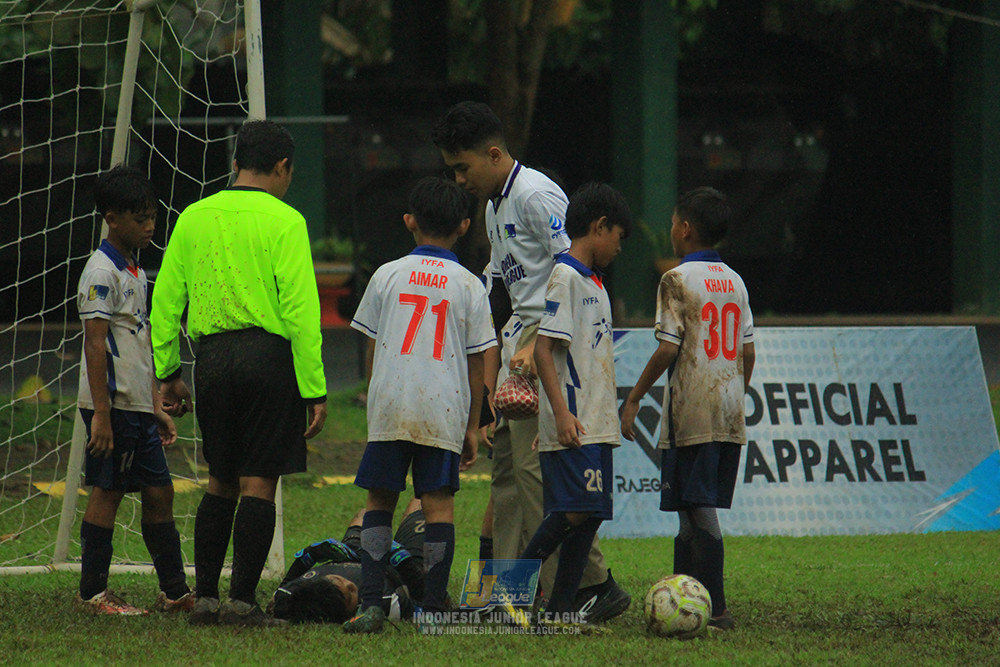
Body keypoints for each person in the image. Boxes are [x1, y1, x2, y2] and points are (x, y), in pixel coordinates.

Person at [431, 101, 630, 622]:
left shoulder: (538, 195)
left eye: (462, 167)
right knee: (507, 477)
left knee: (534, 476)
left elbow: (578, 269)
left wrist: (537, 335)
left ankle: (593, 584)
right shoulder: (495, 206)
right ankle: (501, 598)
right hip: (516, 354)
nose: (459, 179)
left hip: (549, 355)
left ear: (494, 154)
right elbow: (500, 282)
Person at [150, 119, 328, 627]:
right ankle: (243, 603)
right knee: (259, 483)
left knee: (219, 479)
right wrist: (313, 387)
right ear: (283, 167)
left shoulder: (193, 216)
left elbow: (166, 302)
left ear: (234, 164)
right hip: (268, 359)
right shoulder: (286, 220)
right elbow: (300, 310)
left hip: (212, 358)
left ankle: (205, 597)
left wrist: (168, 372)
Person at [343, 176, 496, 633]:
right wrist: (472, 425)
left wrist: (377, 399)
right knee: (438, 507)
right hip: (444, 408)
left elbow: (370, 347)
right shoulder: (470, 286)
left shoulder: (386, 275)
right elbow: (476, 364)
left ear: (409, 221)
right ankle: (431, 608)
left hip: (391, 403)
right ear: (465, 226)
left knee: (379, 501)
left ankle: (371, 604)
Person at [620, 186, 755, 631]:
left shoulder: (676, 279)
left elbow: (666, 349)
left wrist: (636, 395)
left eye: (673, 224)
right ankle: (686, 595)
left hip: (692, 407)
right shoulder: (735, 280)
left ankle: (716, 609)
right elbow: (748, 352)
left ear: (684, 229)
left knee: (698, 507)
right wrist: (737, 390)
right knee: (687, 506)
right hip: (729, 405)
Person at [74, 165, 193, 615]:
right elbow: (96, 343)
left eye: (152, 216)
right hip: (112, 407)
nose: (149, 225)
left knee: (160, 491)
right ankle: (92, 595)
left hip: (136, 406)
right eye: (139, 217)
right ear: (111, 217)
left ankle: (175, 592)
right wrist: (101, 415)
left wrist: (155, 407)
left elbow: (135, 343)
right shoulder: (101, 272)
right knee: (107, 491)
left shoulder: (136, 270)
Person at [521, 182, 632, 624]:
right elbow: (545, 349)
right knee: (574, 510)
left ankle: (560, 611)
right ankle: (510, 590)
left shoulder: (594, 284)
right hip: (577, 421)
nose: (620, 248)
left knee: (589, 517)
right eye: (619, 237)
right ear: (599, 226)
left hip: (597, 421)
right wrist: (561, 414)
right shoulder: (565, 276)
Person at [269, 498, 426, 624]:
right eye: (351, 594)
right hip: (398, 566)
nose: (350, 584)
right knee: (423, 504)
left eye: (338, 580)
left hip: (353, 550)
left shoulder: (290, 596)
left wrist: (315, 551)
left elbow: (278, 594)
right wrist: (397, 554)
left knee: (367, 514)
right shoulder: (383, 602)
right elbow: (421, 598)